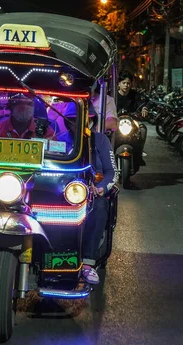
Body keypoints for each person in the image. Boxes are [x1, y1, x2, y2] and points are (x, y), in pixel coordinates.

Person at [63, 102, 118, 285]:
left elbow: (112, 172)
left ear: (90, 120)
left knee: (101, 206)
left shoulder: (100, 140)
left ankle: (88, 263)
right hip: (62, 193)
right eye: (71, 120)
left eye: (80, 120)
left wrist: (102, 187)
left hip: (91, 193)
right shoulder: (59, 139)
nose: (75, 124)